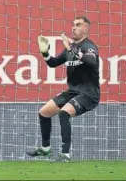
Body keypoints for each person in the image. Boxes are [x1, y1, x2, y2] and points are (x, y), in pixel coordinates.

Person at [26, 17, 100, 162]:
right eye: (73, 25)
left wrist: (71, 48)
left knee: (64, 113)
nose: (73, 28)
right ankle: (45, 149)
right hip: (73, 91)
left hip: (89, 93)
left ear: (85, 29)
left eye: (78, 25)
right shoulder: (69, 49)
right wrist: (45, 53)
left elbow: (92, 61)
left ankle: (65, 155)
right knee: (44, 113)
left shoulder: (88, 45)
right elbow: (53, 63)